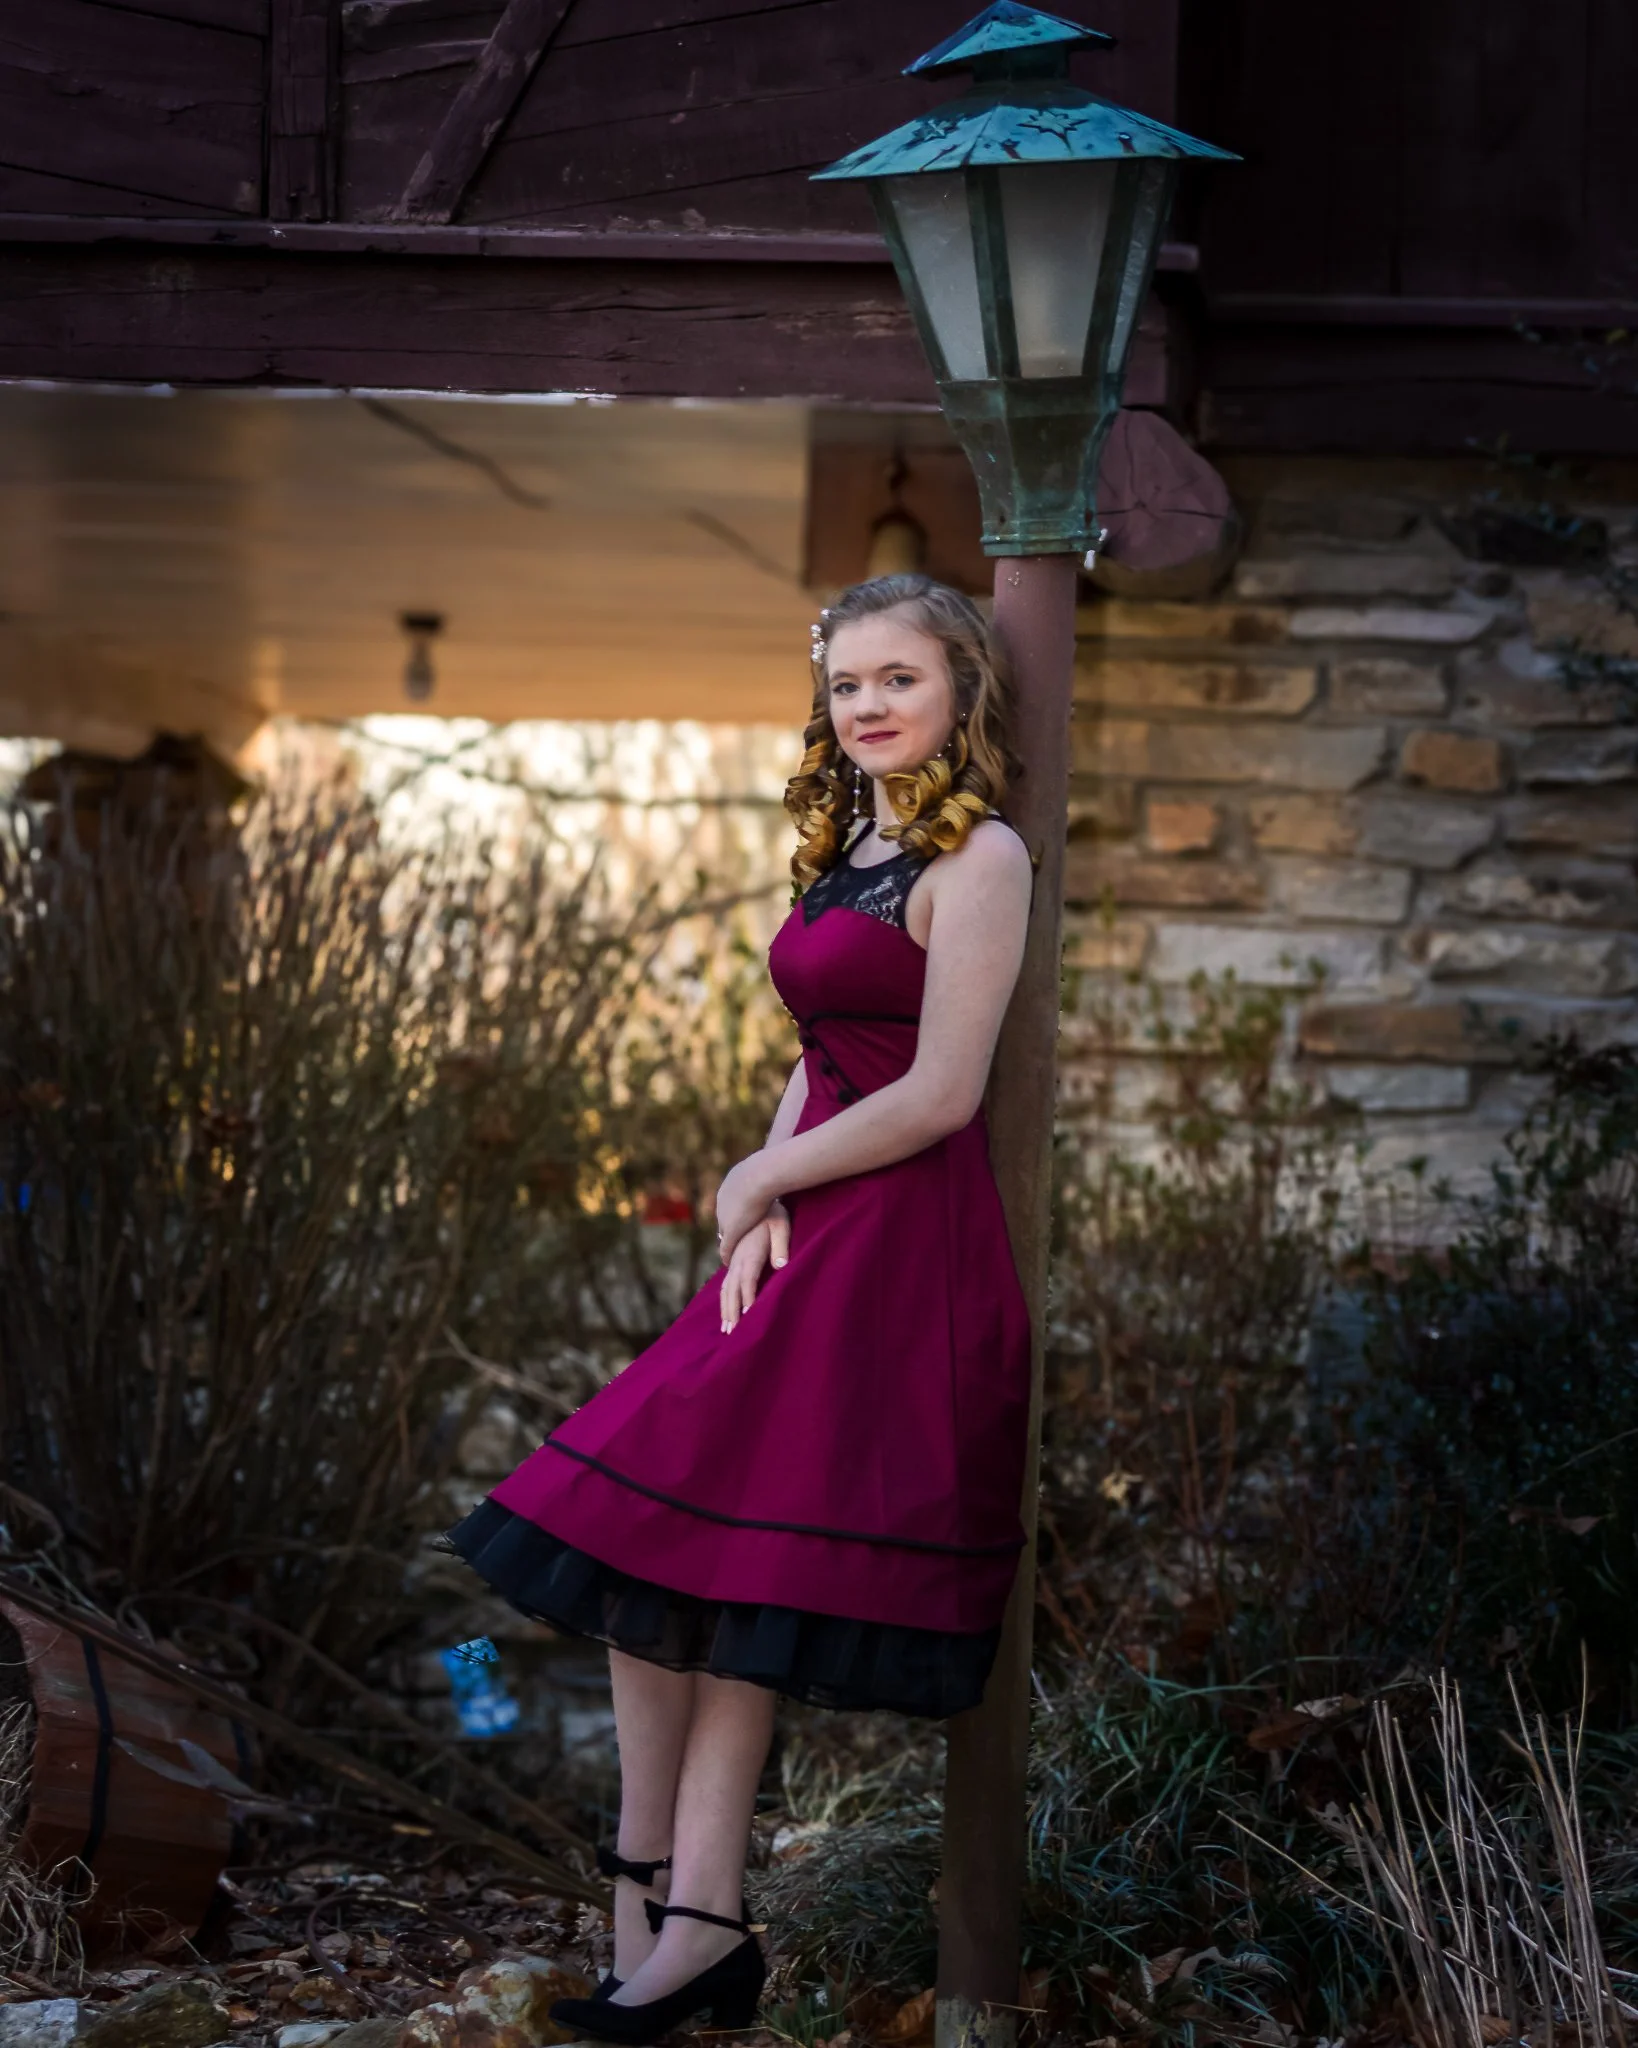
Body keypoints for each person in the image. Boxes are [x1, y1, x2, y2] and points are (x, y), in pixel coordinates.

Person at [448, 573, 1035, 2045]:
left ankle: (700, 1918)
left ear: (960, 688)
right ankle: (655, 1897)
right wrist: (763, 1195)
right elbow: (822, 1045)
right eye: (847, 686)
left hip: (901, 1245)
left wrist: (756, 1176)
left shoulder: (985, 861)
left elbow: (940, 1092)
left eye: (898, 678)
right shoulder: (847, 851)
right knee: (645, 1529)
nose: (870, 706)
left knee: (738, 1571)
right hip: (804, 1223)